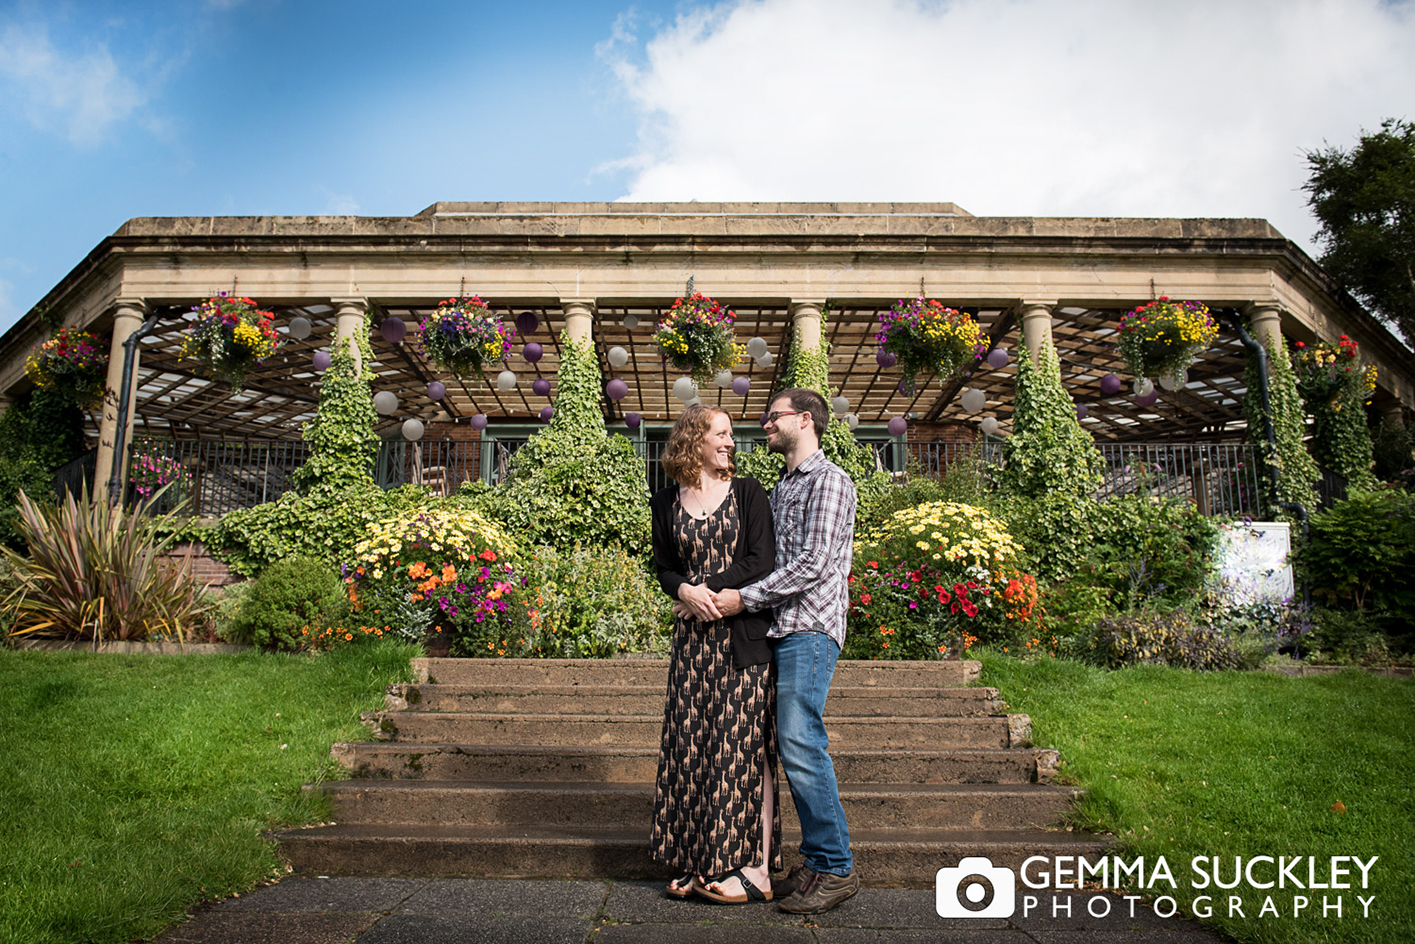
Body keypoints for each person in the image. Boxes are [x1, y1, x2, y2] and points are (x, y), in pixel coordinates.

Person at [712, 387, 860, 914]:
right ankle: (820, 860)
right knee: (787, 745)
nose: (764, 425)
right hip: (778, 629)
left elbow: (815, 564)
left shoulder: (829, 480)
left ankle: (836, 866)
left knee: (800, 741)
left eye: (772, 417)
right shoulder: (782, 488)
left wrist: (741, 599)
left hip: (810, 628)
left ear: (804, 420)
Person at [648, 404, 781, 904]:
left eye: (730, 434)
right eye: (721, 433)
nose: (730, 441)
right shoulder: (665, 501)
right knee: (691, 747)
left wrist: (707, 589)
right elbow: (663, 567)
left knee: (741, 750)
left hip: (742, 641)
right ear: (695, 440)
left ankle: (751, 866)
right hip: (691, 647)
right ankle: (695, 859)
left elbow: (761, 560)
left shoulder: (748, 493)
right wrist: (683, 591)